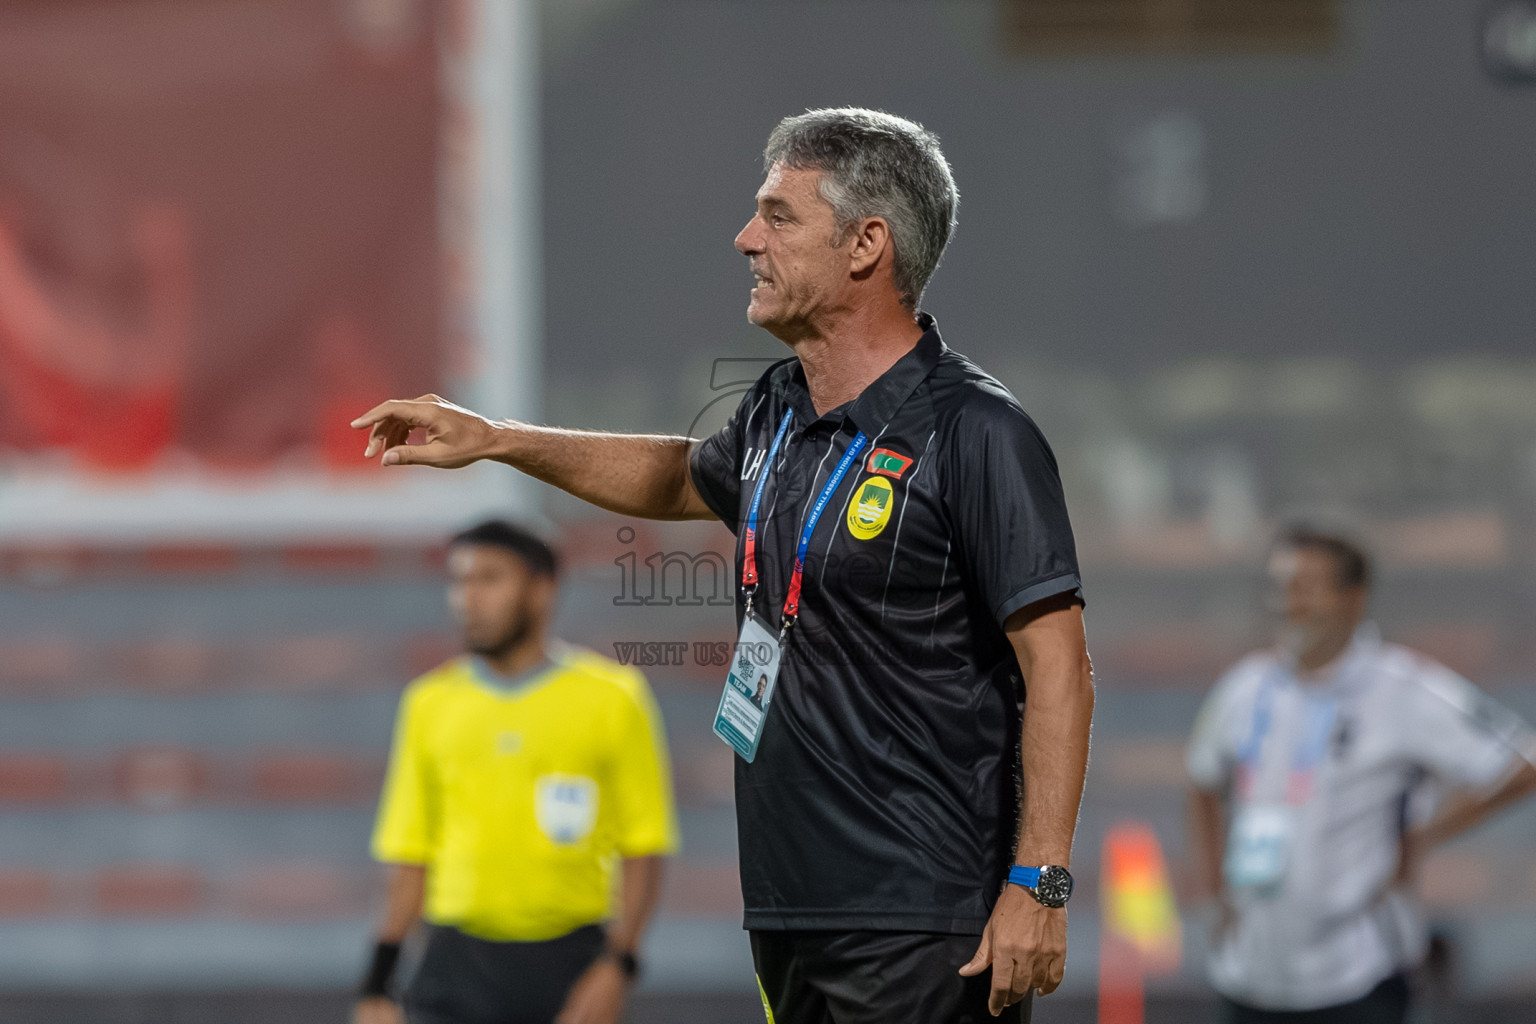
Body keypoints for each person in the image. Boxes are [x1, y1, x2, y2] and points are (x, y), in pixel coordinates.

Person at [352, 108, 1094, 1023]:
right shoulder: (779, 406)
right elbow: (680, 476)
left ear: (867, 244)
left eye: (779, 216)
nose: (746, 238)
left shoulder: (976, 432)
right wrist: (498, 439)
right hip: (788, 904)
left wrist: (1040, 883)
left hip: (923, 911)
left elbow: (1059, 667)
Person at [1186, 525, 1536, 1024]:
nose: (1289, 602)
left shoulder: (1402, 687)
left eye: (1306, 587)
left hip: (1356, 976)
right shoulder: (1246, 686)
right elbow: (1200, 779)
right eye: (1280, 586)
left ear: (1353, 598)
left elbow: (1521, 764)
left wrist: (1423, 837)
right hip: (1250, 974)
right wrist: (1214, 892)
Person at [354, 520, 678, 1024]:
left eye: (489, 578)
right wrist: (378, 981)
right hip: (455, 963)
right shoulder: (429, 703)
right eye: (459, 580)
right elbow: (410, 855)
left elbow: (644, 846)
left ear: (542, 589)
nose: (468, 599)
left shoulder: (614, 698)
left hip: (568, 962)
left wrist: (619, 964)